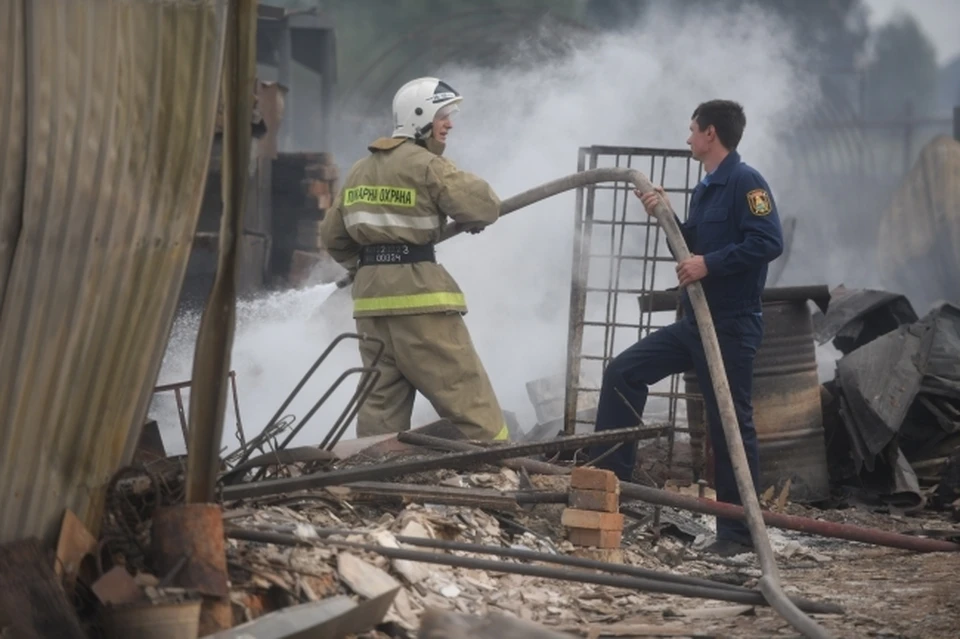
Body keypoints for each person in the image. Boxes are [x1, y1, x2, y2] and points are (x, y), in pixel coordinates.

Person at [588, 99, 783, 556]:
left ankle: (738, 535)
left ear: (711, 133)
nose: (688, 137)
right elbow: (691, 243)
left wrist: (709, 265)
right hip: (697, 323)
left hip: (732, 327)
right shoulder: (708, 187)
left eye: (693, 130)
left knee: (730, 425)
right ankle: (611, 487)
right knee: (623, 372)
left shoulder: (745, 181)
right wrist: (665, 214)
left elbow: (768, 241)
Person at [319, 77, 509, 441]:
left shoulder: (360, 170)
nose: (450, 123)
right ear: (419, 117)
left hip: (372, 307)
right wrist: (470, 218)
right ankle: (500, 467)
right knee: (469, 400)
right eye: (443, 114)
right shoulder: (426, 166)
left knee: (379, 412)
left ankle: (371, 483)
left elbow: (333, 239)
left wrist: (372, 267)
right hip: (421, 303)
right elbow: (485, 205)